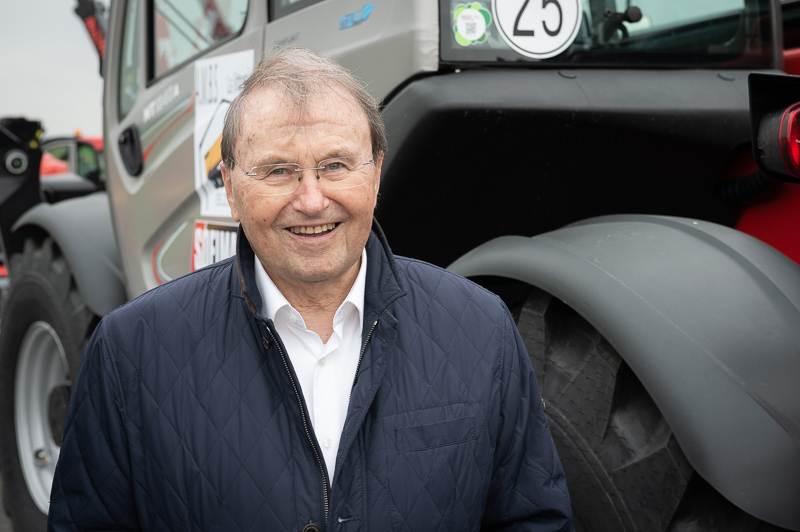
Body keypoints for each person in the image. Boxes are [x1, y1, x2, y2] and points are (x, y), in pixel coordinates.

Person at [48, 47, 572, 531]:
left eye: (336, 166)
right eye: (279, 171)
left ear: (376, 174)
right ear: (230, 189)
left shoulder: (482, 329)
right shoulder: (130, 352)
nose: (313, 199)